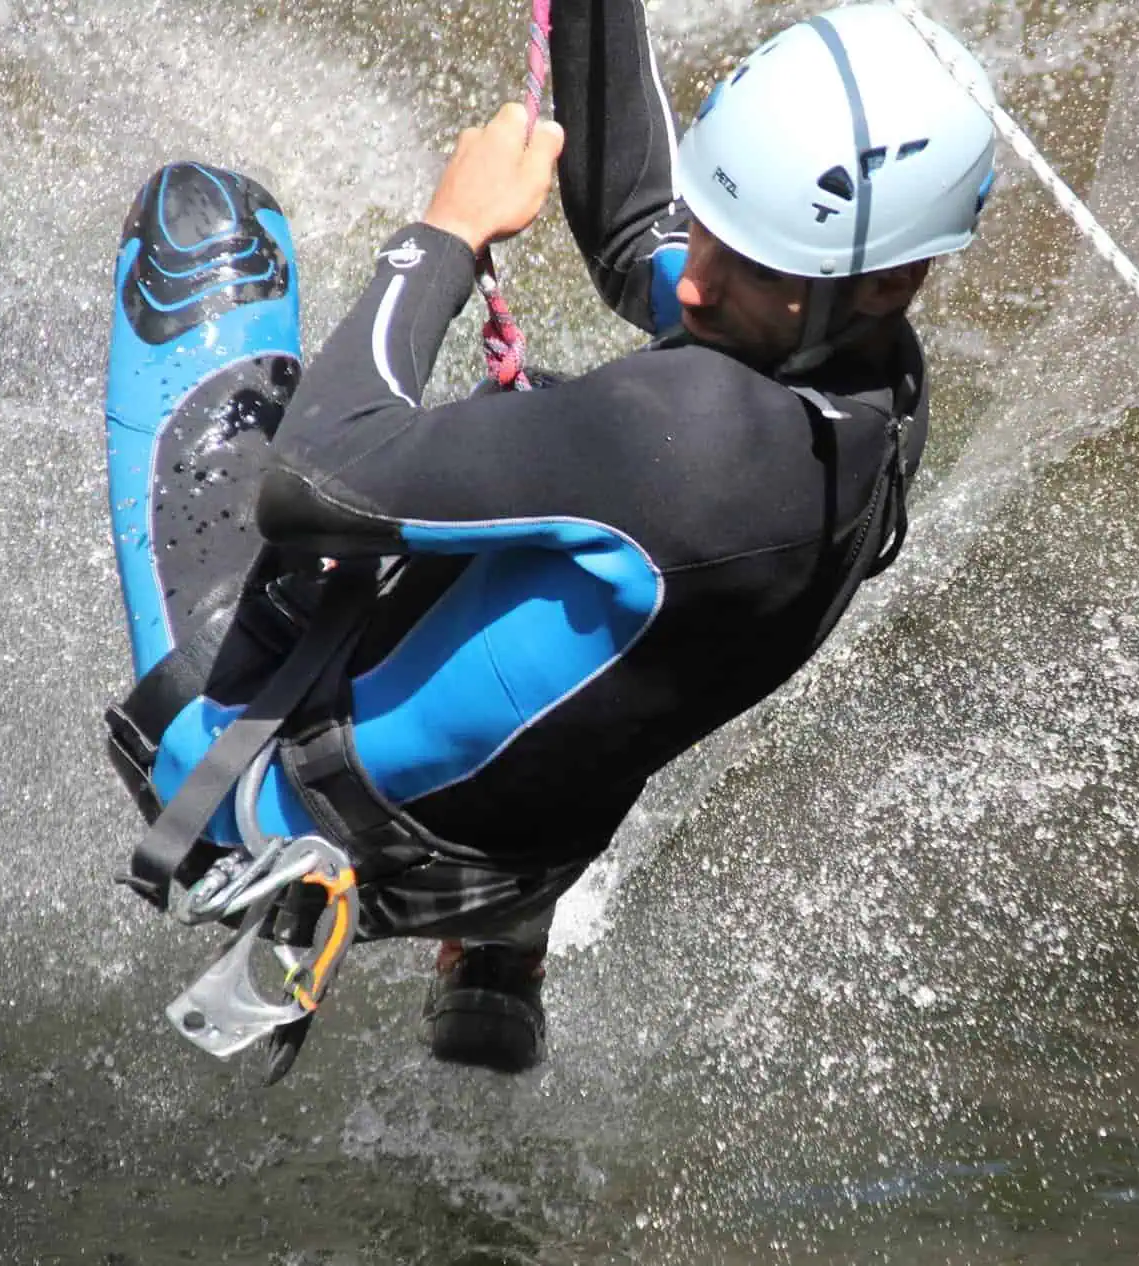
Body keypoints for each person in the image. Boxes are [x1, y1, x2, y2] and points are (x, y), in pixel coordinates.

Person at [102, 0, 998, 1073]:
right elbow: (635, 237)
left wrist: (446, 233)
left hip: (292, 804)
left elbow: (313, 481)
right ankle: (494, 954)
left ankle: (216, 779)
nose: (696, 276)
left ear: (890, 275)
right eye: (716, 221)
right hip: (530, 854)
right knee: (579, 549)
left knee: (205, 226)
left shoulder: (685, 443)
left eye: (745, 262)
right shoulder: (871, 382)